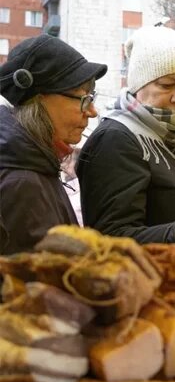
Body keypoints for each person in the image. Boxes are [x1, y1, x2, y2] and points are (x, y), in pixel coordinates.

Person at [77, 26, 175, 281]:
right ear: (139, 84)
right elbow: (107, 240)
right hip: (155, 306)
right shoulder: (117, 138)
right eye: (167, 85)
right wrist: (173, 234)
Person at [0, 35, 106, 254]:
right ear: (39, 100)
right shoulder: (21, 182)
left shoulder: (36, 163)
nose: (92, 111)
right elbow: (30, 283)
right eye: (84, 98)